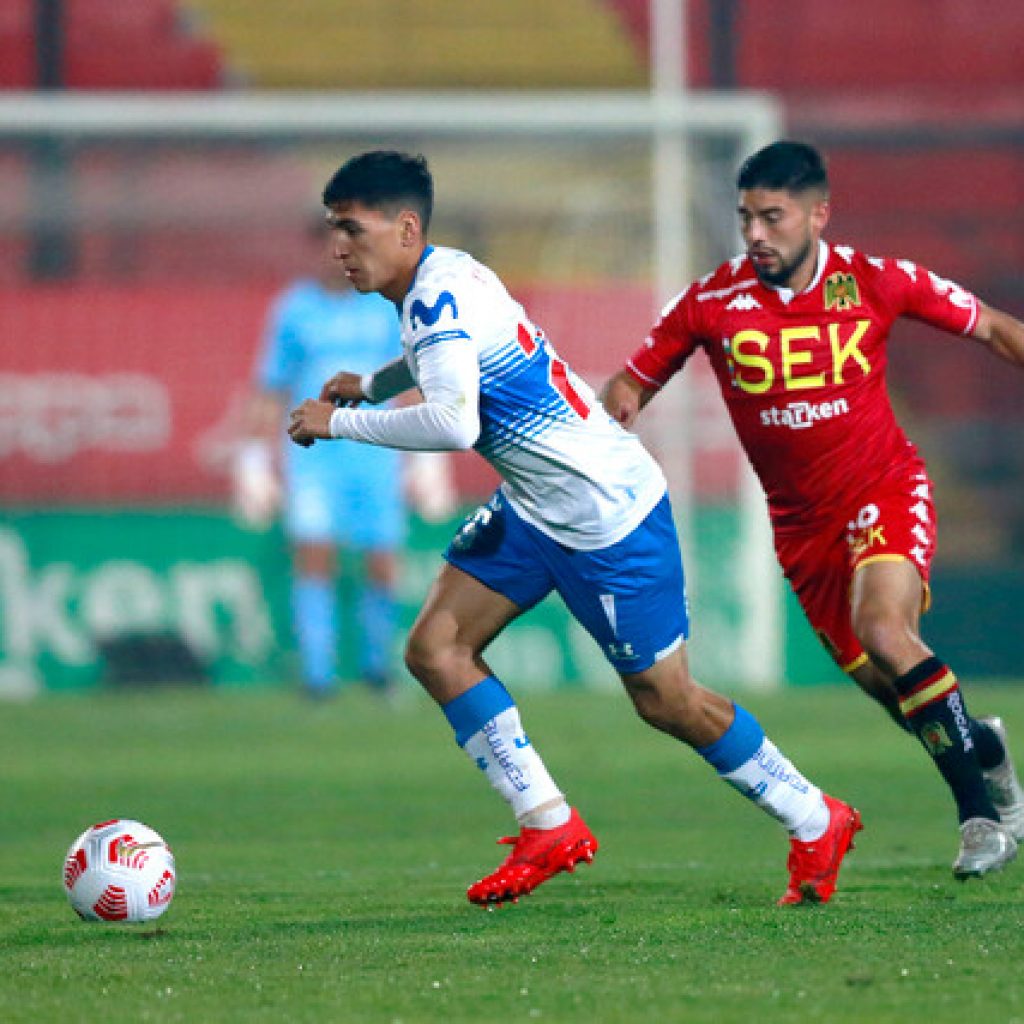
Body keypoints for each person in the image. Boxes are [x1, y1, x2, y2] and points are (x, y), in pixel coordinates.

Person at [287, 149, 861, 908]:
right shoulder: (445, 278)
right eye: (333, 230)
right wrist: (373, 382)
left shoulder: (435, 298)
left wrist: (344, 420)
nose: (338, 248)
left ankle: (815, 815)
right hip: (535, 509)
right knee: (436, 648)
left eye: (351, 230)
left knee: (667, 700)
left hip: (608, 517)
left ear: (403, 228)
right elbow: (445, 361)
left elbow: (456, 423)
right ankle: (547, 821)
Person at [602, 140, 1024, 880]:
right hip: (801, 529)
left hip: (883, 490)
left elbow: (991, 325)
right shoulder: (710, 302)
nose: (757, 234)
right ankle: (982, 749)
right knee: (889, 688)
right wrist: (615, 415)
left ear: (818, 215)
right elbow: (631, 383)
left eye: (773, 217)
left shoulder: (876, 280)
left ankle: (982, 821)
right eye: (746, 219)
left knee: (886, 632)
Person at [232, 217, 405, 698]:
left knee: (382, 559)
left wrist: (428, 458)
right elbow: (271, 386)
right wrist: (252, 457)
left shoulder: (383, 307)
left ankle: (378, 668)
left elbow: (410, 381)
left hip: (376, 451)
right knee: (313, 554)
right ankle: (316, 675)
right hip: (314, 455)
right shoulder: (295, 309)